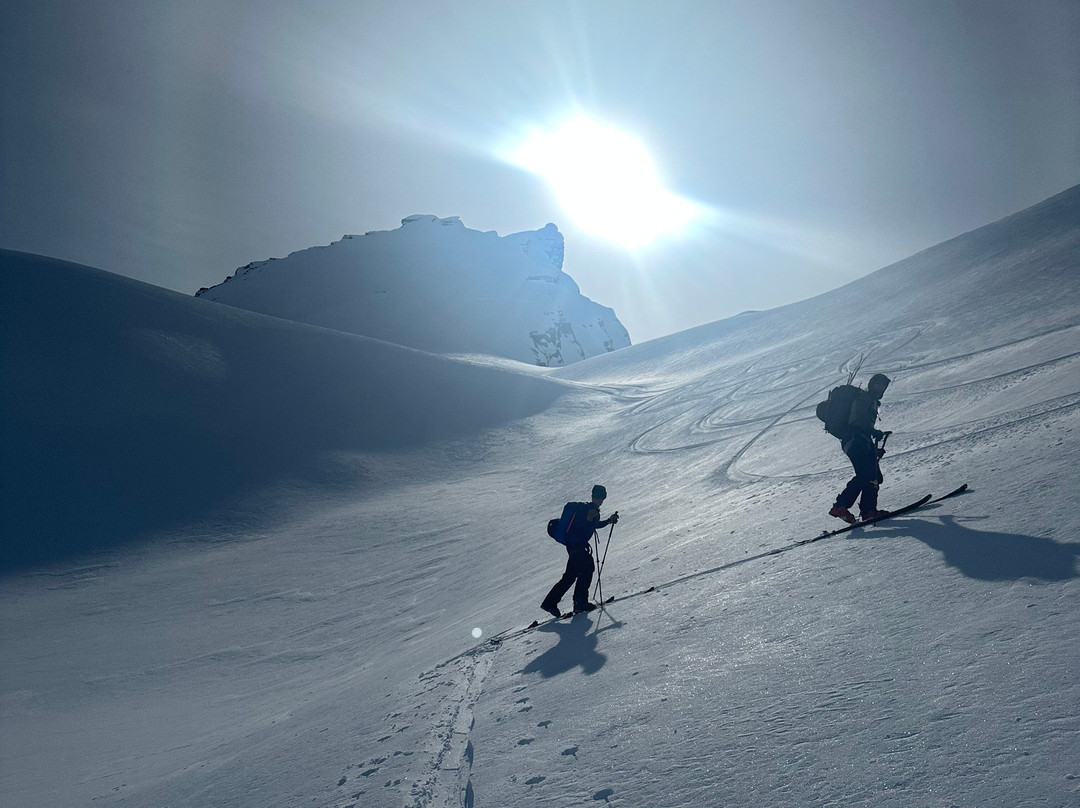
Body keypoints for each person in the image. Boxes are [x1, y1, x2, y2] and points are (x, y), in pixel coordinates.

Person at [541, 484, 619, 617]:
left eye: (602, 497)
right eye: (598, 497)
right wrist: (590, 520)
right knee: (587, 568)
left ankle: (551, 603)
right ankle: (579, 602)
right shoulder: (588, 510)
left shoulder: (591, 509)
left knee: (571, 575)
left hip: (574, 546)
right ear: (593, 496)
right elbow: (583, 524)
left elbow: (593, 524)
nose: (600, 500)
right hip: (577, 547)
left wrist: (608, 521)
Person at [829, 373, 892, 524]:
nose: (879, 387)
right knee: (866, 474)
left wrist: (872, 446)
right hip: (855, 440)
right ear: (871, 384)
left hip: (860, 441)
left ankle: (868, 511)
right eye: (877, 383)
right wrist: (873, 432)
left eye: (882, 385)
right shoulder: (864, 398)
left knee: (874, 476)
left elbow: (863, 425)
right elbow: (859, 422)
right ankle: (841, 506)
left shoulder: (873, 402)